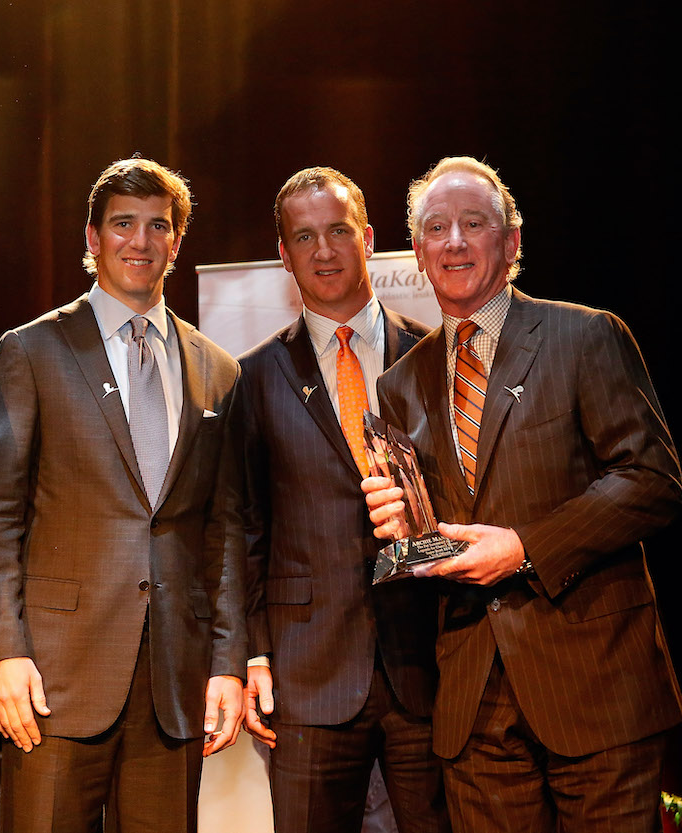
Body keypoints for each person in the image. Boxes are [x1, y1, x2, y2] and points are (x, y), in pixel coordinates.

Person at [363, 156, 682, 832]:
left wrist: (525, 547)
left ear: (511, 242)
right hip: (474, 701)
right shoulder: (399, 384)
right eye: (436, 228)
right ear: (418, 252)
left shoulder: (586, 335)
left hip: (596, 686)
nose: (453, 241)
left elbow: (653, 479)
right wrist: (402, 527)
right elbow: (432, 533)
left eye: (473, 223)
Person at [0, 157, 246, 833]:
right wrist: (5, 650)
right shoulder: (32, 350)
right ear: (93, 237)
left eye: (159, 225)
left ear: (177, 242)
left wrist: (226, 661)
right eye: (123, 223)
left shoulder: (217, 368)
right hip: (54, 679)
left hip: (173, 684)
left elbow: (225, 530)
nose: (141, 240)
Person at [238, 167, 447, 833]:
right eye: (304, 237)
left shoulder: (434, 358)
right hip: (307, 675)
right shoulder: (252, 377)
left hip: (428, 670)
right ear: (284, 255)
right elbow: (243, 531)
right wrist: (253, 653)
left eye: (338, 231)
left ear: (370, 238)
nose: (323, 250)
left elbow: (468, 510)